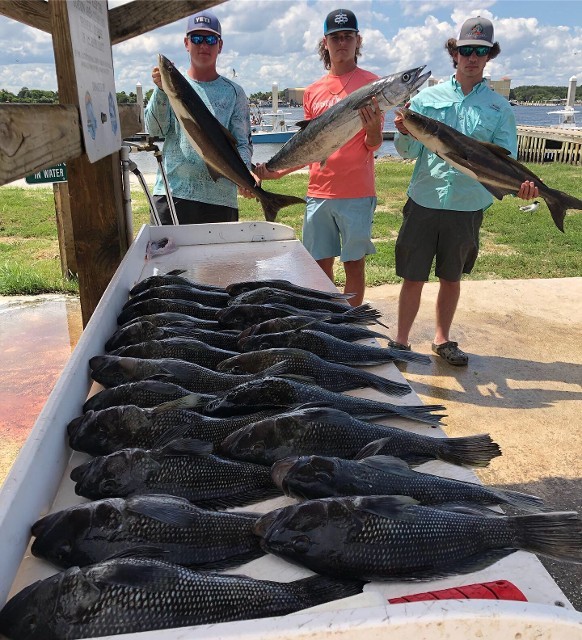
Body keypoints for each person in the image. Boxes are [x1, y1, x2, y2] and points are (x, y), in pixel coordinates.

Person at [392, 16, 538, 365]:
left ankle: (442, 340)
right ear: (454, 53)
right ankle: (400, 341)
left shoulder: (499, 107)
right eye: (466, 50)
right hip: (425, 197)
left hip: (468, 204)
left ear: (489, 56)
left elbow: (507, 157)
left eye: (480, 52)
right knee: (413, 276)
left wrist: (523, 186)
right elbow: (408, 152)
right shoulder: (427, 99)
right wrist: (403, 131)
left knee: (451, 277)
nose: (472, 57)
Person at [256, 8, 383, 306]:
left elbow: (374, 145)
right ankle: (326, 325)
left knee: (354, 264)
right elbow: (308, 148)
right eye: (335, 37)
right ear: (325, 43)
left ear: (358, 40)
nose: (342, 42)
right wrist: (275, 171)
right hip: (319, 192)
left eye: (347, 36)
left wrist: (374, 129)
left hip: (356, 192)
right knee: (319, 265)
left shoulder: (373, 84)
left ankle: (350, 326)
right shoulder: (313, 92)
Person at [145, 10, 253, 224]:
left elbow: (242, 143)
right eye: (197, 38)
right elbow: (154, 130)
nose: (204, 45)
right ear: (186, 43)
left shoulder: (234, 92)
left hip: (220, 199)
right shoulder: (171, 86)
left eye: (211, 39)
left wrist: (245, 175)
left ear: (220, 45)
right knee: (167, 259)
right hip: (173, 194)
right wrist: (161, 90)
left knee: (217, 260)